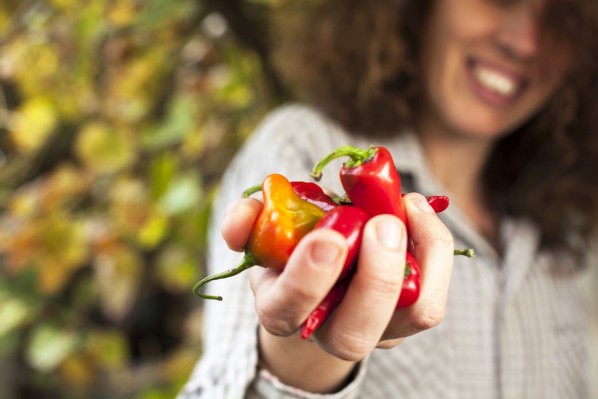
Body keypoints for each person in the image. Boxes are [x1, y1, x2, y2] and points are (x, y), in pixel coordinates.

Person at [179, 0, 598, 397]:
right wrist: (297, 361)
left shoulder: (575, 223)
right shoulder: (303, 147)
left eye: (562, 18)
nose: (523, 41)